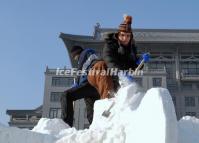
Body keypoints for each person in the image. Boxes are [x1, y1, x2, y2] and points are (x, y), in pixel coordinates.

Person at [88, 15, 150, 96]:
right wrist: (121, 73)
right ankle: (107, 98)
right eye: (123, 35)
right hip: (97, 74)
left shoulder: (131, 49)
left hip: (115, 79)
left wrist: (140, 62)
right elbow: (109, 61)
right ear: (118, 35)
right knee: (101, 65)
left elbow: (133, 67)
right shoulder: (110, 44)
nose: (125, 38)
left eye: (128, 36)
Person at [60, 45, 100, 127]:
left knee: (66, 95)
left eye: (74, 56)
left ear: (77, 53)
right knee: (91, 113)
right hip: (92, 88)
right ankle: (96, 130)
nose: (75, 59)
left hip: (89, 84)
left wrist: (77, 84)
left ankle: (65, 125)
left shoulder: (86, 53)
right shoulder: (86, 57)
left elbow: (85, 68)